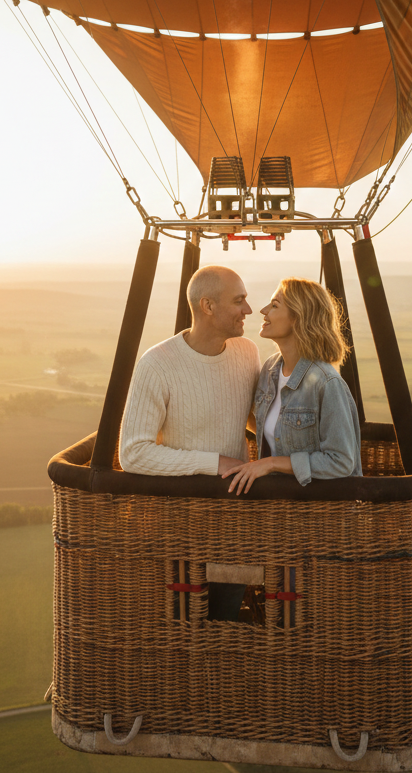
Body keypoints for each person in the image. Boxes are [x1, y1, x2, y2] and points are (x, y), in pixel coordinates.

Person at [120, 264, 259, 620]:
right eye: (239, 301)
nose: (248, 310)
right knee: (182, 631)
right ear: (208, 306)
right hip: (178, 528)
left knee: (226, 620)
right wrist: (216, 462)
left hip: (234, 525)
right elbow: (133, 453)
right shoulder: (157, 364)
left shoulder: (247, 353)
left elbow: (256, 420)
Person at [222, 277, 362, 495]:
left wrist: (270, 463)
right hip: (280, 509)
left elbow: (341, 462)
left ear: (298, 318)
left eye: (274, 305)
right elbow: (274, 429)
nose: (263, 310)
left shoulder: (327, 383)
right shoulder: (270, 370)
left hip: (322, 516)